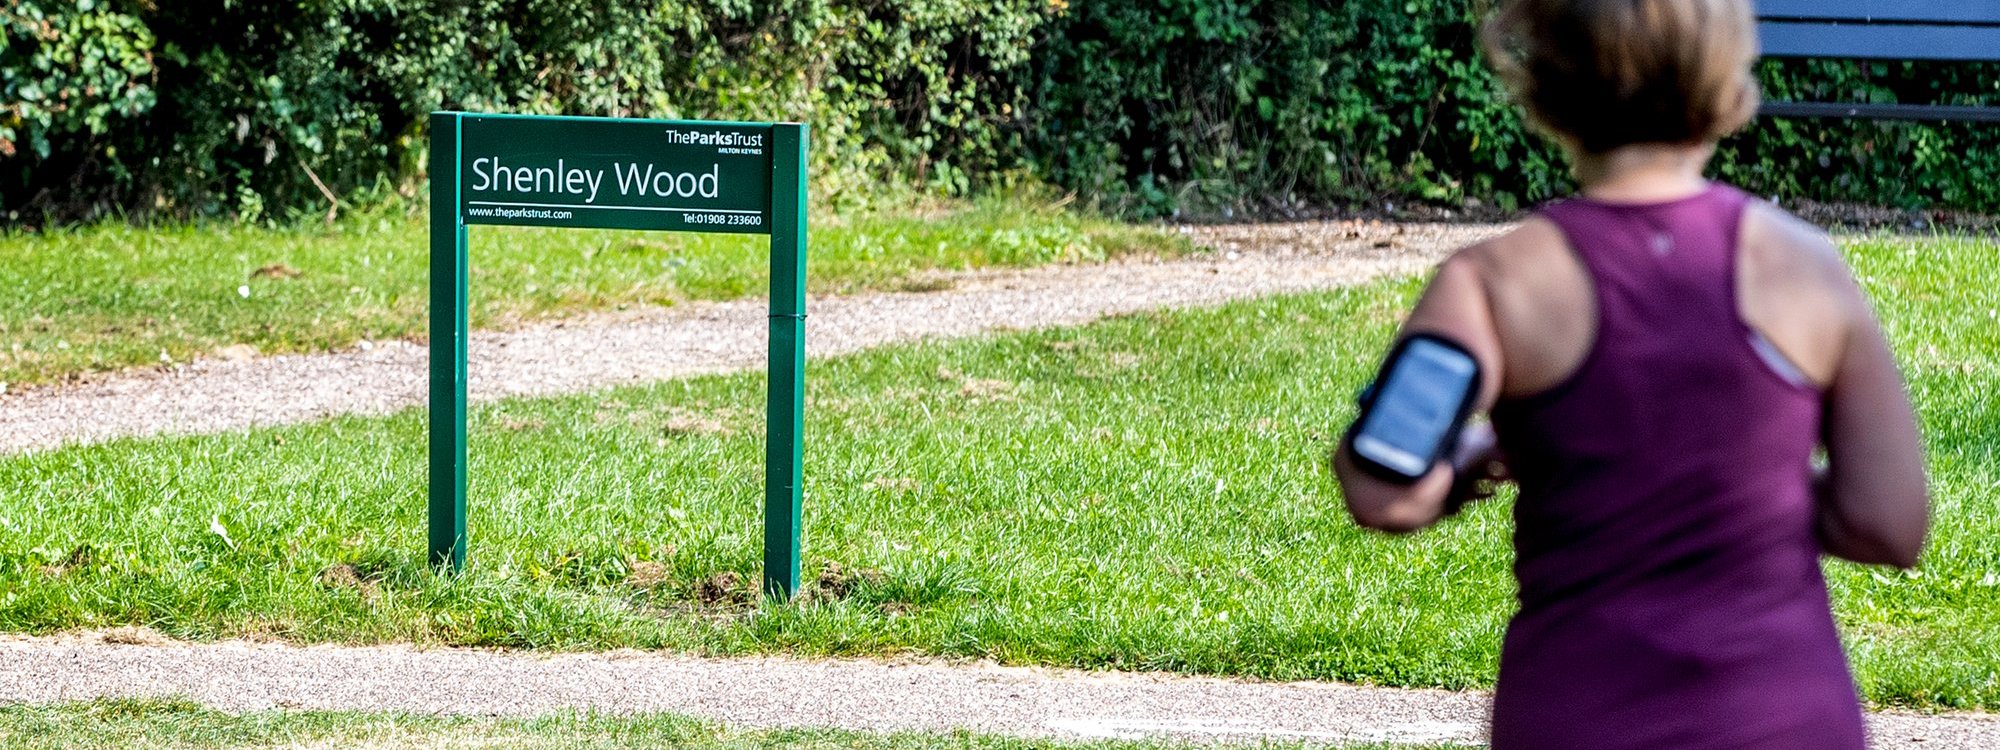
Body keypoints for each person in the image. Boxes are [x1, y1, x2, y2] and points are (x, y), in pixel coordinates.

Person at [1330, 0, 1931, 747]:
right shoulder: (1804, 267)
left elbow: (1383, 487)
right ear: (1728, 74)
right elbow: (1891, 521)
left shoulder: (1491, 283)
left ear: (1542, 75)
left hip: (1577, 714)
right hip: (1781, 715)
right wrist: (1741, 479)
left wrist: (1469, 460)